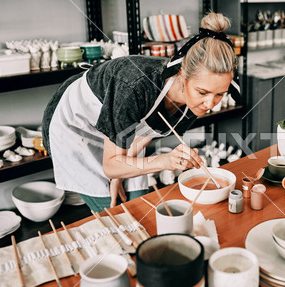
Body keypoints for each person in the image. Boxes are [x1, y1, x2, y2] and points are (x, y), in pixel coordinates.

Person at [42, 12, 239, 212]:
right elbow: (110, 166)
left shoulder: (194, 102)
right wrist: (162, 161)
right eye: (203, 92)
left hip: (120, 132)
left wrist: (119, 176)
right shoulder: (135, 87)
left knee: (139, 203)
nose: (210, 104)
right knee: (111, 210)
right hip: (77, 125)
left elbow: (144, 134)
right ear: (182, 73)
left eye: (220, 94)